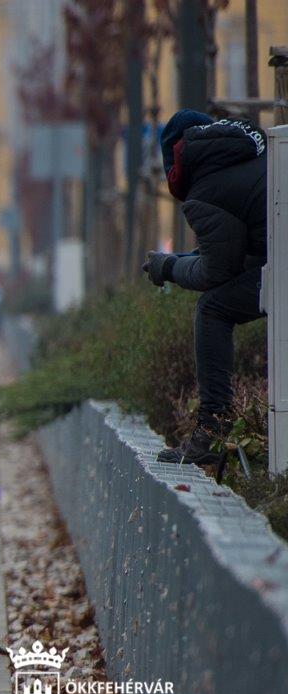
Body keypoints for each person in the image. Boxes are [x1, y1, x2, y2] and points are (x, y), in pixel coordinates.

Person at [143, 111, 267, 465]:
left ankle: (213, 431)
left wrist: (168, 266)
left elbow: (215, 274)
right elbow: (237, 256)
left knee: (212, 308)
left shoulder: (206, 190)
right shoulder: (253, 153)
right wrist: (181, 258)